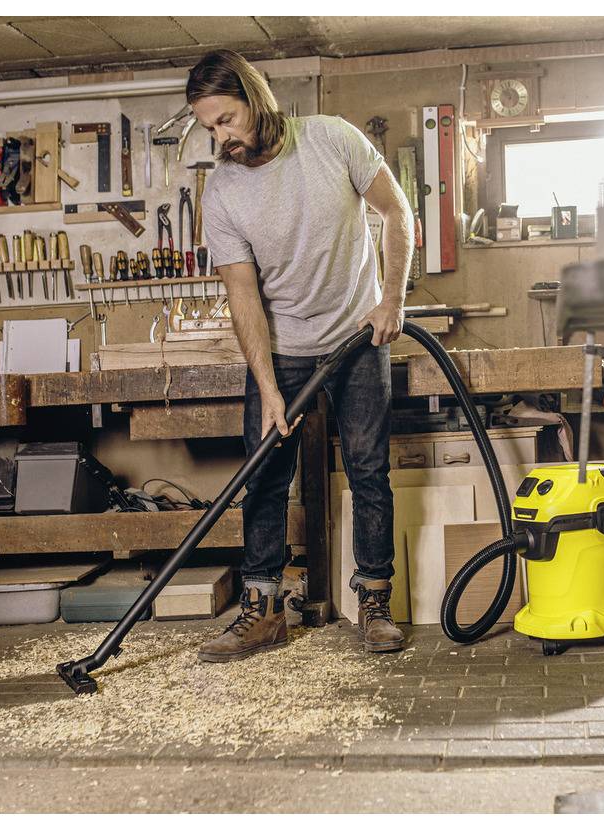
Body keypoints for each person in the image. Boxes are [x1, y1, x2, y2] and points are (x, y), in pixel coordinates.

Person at [187, 50, 414, 661]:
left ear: (256, 100)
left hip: (357, 337)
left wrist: (390, 300)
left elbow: (397, 212)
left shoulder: (332, 141)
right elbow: (243, 297)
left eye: (227, 120)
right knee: (264, 475)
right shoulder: (224, 193)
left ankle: (372, 600)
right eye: (210, 127)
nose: (221, 138)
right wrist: (267, 387)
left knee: (368, 469)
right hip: (283, 348)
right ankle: (262, 610)